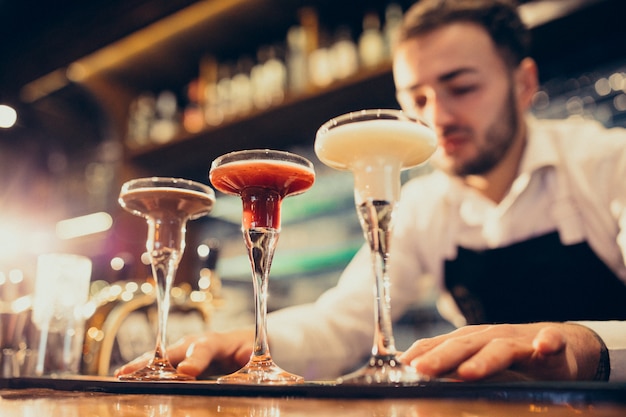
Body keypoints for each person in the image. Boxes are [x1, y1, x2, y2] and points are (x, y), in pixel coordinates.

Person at [117, 0, 626, 382]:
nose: (437, 117)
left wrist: (591, 345)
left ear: (522, 83)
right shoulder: (425, 204)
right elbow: (344, 323)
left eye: (462, 87)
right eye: (417, 98)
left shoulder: (607, 163)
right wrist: (250, 345)